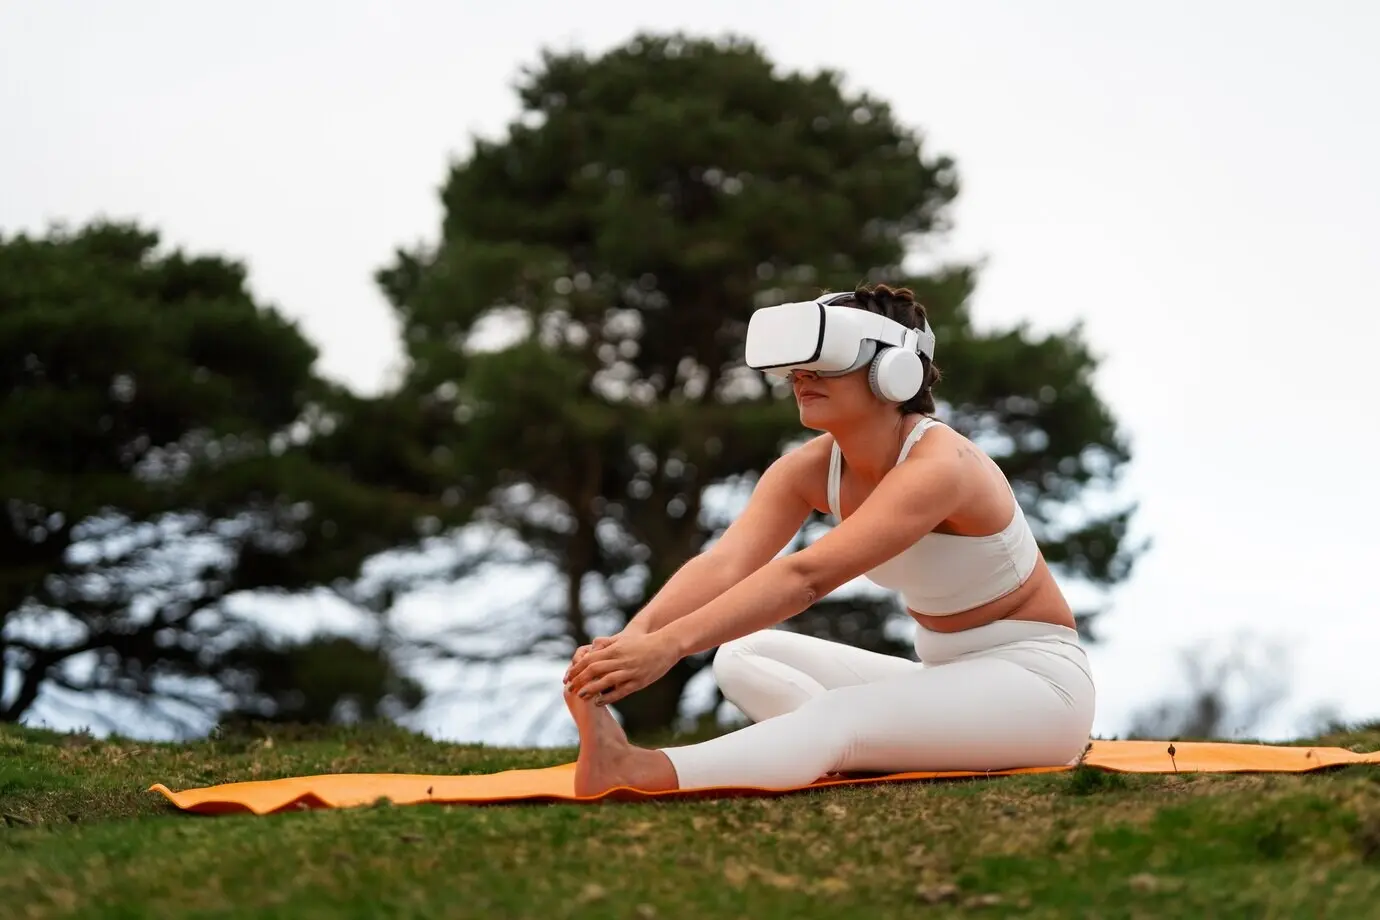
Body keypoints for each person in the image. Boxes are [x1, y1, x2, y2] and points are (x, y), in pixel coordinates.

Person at [562, 284, 1095, 797]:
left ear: (894, 370)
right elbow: (726, 563)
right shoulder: (810, 469)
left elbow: (806, 577)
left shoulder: (942, 466)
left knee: (838, 716)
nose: (801, 376)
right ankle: (843, 743)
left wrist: (669, 646)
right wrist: (630, 641)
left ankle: (638, 770)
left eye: (828, 360)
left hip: (1038, 688)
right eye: (798, 363)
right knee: (742, 655)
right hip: (945, 676)